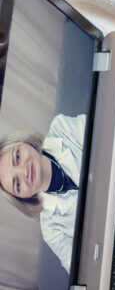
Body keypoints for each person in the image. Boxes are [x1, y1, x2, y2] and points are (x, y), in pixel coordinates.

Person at [0, 113, 85, 273]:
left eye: (17, 157)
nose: (24, 172)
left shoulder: (61, 127)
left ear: (25, 143)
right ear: (23, 197)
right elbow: (81, 272)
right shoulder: (51, 230)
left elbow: (107, 134)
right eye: (17, 184)